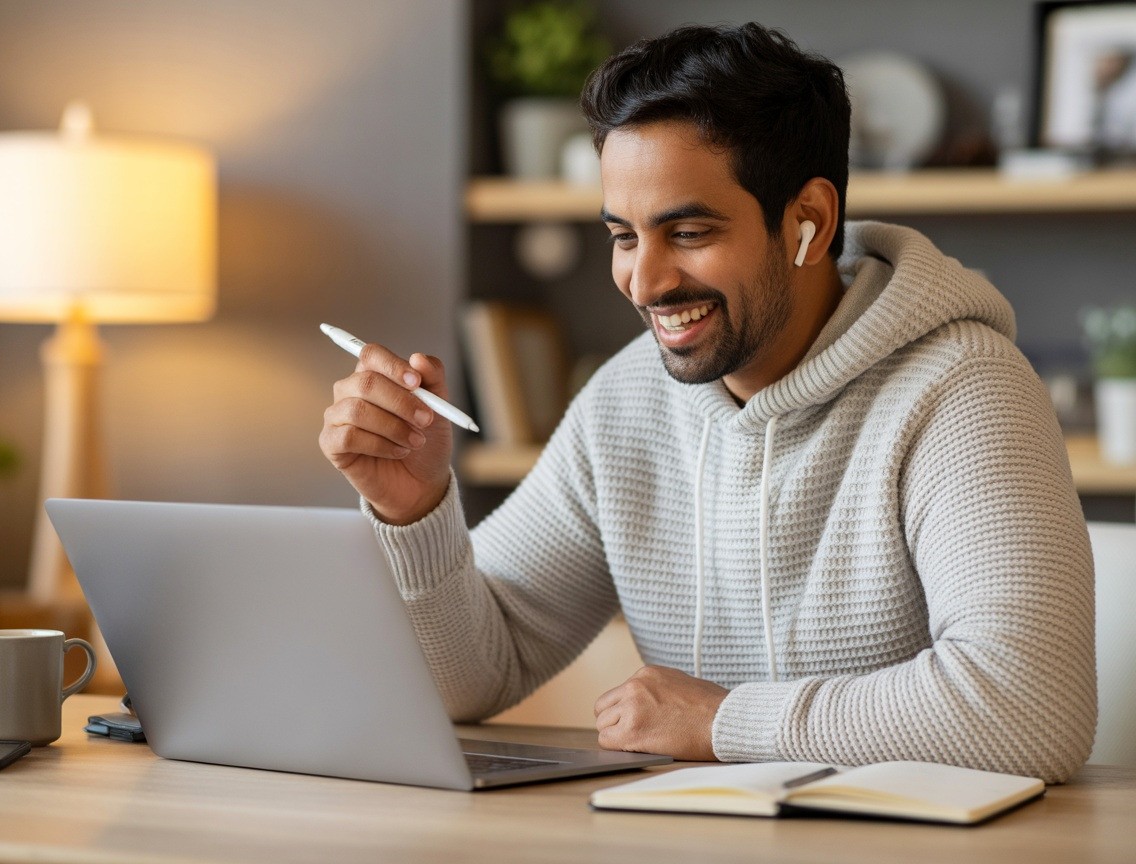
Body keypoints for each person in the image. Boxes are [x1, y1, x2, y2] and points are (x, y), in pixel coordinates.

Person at [320, 22, 1095, 784]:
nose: (645, 282)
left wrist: (723, 722)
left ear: (809, 222)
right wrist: (413, 509)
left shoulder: (963, 391)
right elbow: (477, 674)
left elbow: (1030, 709)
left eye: (687, 231)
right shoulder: (626, 400)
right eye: (623, 236)